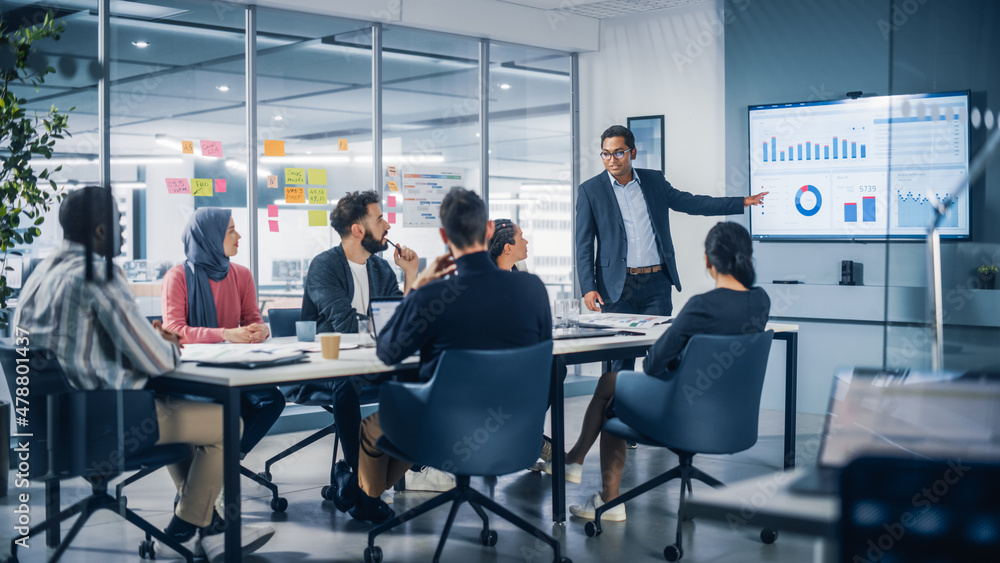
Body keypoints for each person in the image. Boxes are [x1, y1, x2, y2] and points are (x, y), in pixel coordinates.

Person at [13, 187, 273, 561]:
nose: (124, 230)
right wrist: (165, 341)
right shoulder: (99, 274)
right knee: (226, 423)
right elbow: (157, 360)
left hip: (49, 430)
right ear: (100, 230)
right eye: (119, 221)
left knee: (173, 404)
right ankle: (187, 526)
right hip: (104, 424)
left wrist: (148, 342)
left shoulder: (40, 274)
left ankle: (211, 526)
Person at [345, 188, 553, 524]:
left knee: (372, 428)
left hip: (445, 434)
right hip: (515, 431)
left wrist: (419, 285)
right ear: (488, 229)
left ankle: (364, 501)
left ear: (444, 236)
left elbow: (387, 352)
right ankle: (359, 496)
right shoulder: (533, 290)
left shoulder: (435, 296)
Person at [560, 221, 770, 522]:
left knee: (611, 401)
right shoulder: (761, 301)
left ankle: (608, 499)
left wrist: (678, 356)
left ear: (708, 261)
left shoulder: (702, 306)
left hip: (682, 413)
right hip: (732, 417)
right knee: (610, 382)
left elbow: (653, 364)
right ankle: (575, 462)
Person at [576, 124, 767, 369]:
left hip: (656, 283)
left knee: (665, 354)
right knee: (620, 362)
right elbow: (583, 243)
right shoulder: (590, 190)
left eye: (619, 152)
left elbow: (692, 203)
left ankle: (664, 394)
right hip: (616, 287)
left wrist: (740, 202)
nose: (612, 159)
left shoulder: (654, 181)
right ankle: (618, 396)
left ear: (633, 153)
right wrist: (588, 287)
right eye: (606, 153)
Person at [297, 190, 420, 511]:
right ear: (357, 230)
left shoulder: (381, 269)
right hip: (328, 367)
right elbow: (346, 326)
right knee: (346, 382)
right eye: (380, 220)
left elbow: (401, 325)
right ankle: (359, 479)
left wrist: (410, 275)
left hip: (373, 362)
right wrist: (383, 328)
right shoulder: (325, 266)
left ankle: (363, 481)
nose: (388, 225)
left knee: (420, 374)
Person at [161, 208, 286, 483]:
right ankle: (212, 475)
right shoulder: (177, 276)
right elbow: (175, 331)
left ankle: (222, 463)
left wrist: (262, 329)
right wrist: (226, 334)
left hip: (234, 369)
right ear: (210, 236)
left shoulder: (242, 274)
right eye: (230, 231)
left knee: (273, 401)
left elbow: (253, 319)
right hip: (194, 375)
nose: (238, 236)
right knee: (219, 407)